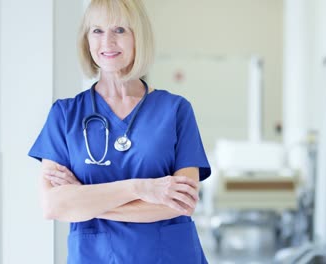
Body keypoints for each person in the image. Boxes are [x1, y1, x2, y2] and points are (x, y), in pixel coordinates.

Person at [28, 0, 211, 263]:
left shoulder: (175, 110)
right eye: (97, 31)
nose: (107, 42)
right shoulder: (65, 115)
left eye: (120, 30)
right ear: (86, 40)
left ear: (139, 37)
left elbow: (184, 202)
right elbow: (54, 205)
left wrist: (85, 200)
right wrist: (140, 188)